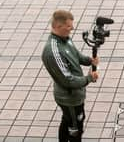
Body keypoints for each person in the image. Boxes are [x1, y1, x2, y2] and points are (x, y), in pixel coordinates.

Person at [42, 10, 99, 142]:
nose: (72, 28)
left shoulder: (65, 39)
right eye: (68, 26)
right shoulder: (53, 51)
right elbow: (68, 80)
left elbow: (76, 55)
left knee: (68, 120)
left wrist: (89, 60)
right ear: (57, 26)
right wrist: (89, 78)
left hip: (75, 94)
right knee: (75, 128)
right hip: (69, 97)